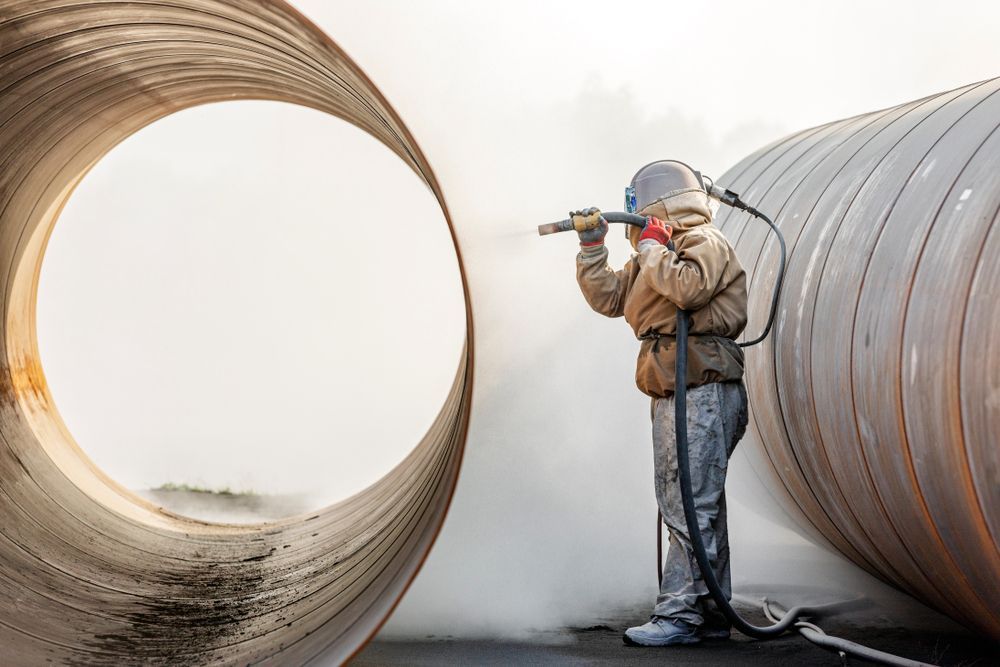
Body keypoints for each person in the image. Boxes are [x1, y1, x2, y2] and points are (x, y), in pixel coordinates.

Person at [573, 160, 749, 647]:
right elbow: (613, 298)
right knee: (695, 503)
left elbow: (688, 288)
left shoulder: (701, 242)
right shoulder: (655, 254)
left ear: (653, 203)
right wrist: (592, 250)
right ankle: (712, 613)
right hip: (675, 384)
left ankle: (680, 616)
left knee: (690, 504)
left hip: (702, 387)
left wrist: (652, 246)